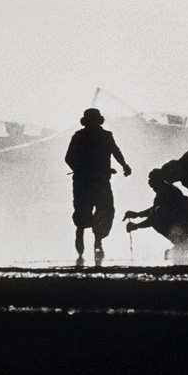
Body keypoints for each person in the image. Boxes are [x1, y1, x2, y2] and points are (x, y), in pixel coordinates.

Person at [65, 108, 132, 261]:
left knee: (89, 211)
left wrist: (82, 170)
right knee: (104, 209)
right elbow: (115, 152)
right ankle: (97, 242)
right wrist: (124, 166)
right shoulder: (105, 136)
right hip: (99, 181)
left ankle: (87, 245)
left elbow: (69, 158)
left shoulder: (79, 136)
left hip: (84, 181)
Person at [123, 169, 188, 259]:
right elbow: (154, 211)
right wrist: (137, 215)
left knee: (158, 222)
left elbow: (154, 218)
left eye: (153, 184)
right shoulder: (164, 193)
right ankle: (183, 242)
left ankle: (183, 243)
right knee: (160, 219)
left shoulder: (169, 193)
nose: (152, 188)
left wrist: (136, 226)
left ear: (160, 181)